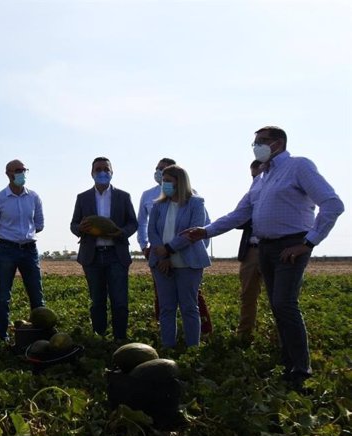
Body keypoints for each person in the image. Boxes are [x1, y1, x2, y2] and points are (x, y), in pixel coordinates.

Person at [183, 126, 344, 389]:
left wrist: (308, 242)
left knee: (285, 303)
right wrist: (206, 231)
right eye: (254, 143)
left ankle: (301, 370)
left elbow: (333, 204)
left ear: (278, 143)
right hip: (265, 249)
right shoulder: (261, 178)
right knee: (277, 305)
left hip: (290, 246)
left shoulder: (298, 166)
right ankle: (288, 363)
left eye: (261, 142)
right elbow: (240, 214)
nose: (256, 146)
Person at [137, 157, 212, 333]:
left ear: (180, 182)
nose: (164, 184)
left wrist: (169, 250)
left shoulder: (196, 202)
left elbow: (193, 232)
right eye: (163, 180)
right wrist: (161, 254)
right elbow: (151, 231)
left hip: (187, 261)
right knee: (166, 308)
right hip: (161, 260)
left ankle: (193, 349)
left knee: (189, 307)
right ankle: (168, 346)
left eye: (168, 181)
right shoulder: (157, 204)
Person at [70, 157, 138, 341]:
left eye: (105, 169)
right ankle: (99, 339)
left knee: (120, 302)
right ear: (92, 173)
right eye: (98, 169)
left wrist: (120, 233)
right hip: (92, 257)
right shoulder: (82, 197)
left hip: (116, 254)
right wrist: (80, 229)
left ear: (112, 172)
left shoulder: (123, 196)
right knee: (97, 302)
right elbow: (74, 224)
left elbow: (133, 222)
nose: (102, 172)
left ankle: (120, 339)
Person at [0, 159, 45, 341]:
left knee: (36, 294)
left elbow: (39, 225)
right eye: (18, 170)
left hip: (30, 250)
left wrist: (23, 236)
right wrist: (7, 239)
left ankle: (40, 334)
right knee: (3, 295)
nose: (22, 173)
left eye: (24, 169)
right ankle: (2, 336)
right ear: (8, 174)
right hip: (7, 251)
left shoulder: (34, 197)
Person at [234, 160, 264, 342]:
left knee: (281, 299)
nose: (256, 180)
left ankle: (283, 338)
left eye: (258, 176)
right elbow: (238, 218)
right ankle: (244, 335)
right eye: (253, 176)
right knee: (248, 295)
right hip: (252, 249)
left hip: (274, 249)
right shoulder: (251, 195)